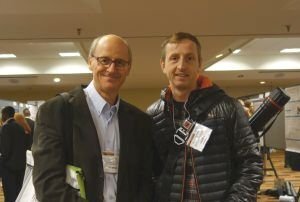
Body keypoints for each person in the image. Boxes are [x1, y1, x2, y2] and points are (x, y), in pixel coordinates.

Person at [32, 34, 153, 202]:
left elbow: (145, 181)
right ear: (90, 62)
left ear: (128, 68)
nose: (111, 69)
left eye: (120, 62)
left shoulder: (140, 122)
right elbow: (48, 185)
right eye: (104, 60)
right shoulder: (57, 111)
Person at [147, 32, 263, 201]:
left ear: (199, 64)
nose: (181, 66)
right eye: (174, 58)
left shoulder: (228, 108)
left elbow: (251, 164)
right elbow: (148, 172)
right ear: (163, 65)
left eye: (189, 58)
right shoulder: (153, 114)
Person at [1, 106, 27, 202]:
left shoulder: (5, 128)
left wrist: (1, 162)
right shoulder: (20, 127)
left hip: (8, 168)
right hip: (20, 166)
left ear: (5, 114)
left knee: (9, 194)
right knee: (18, 194)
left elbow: (5, 150)